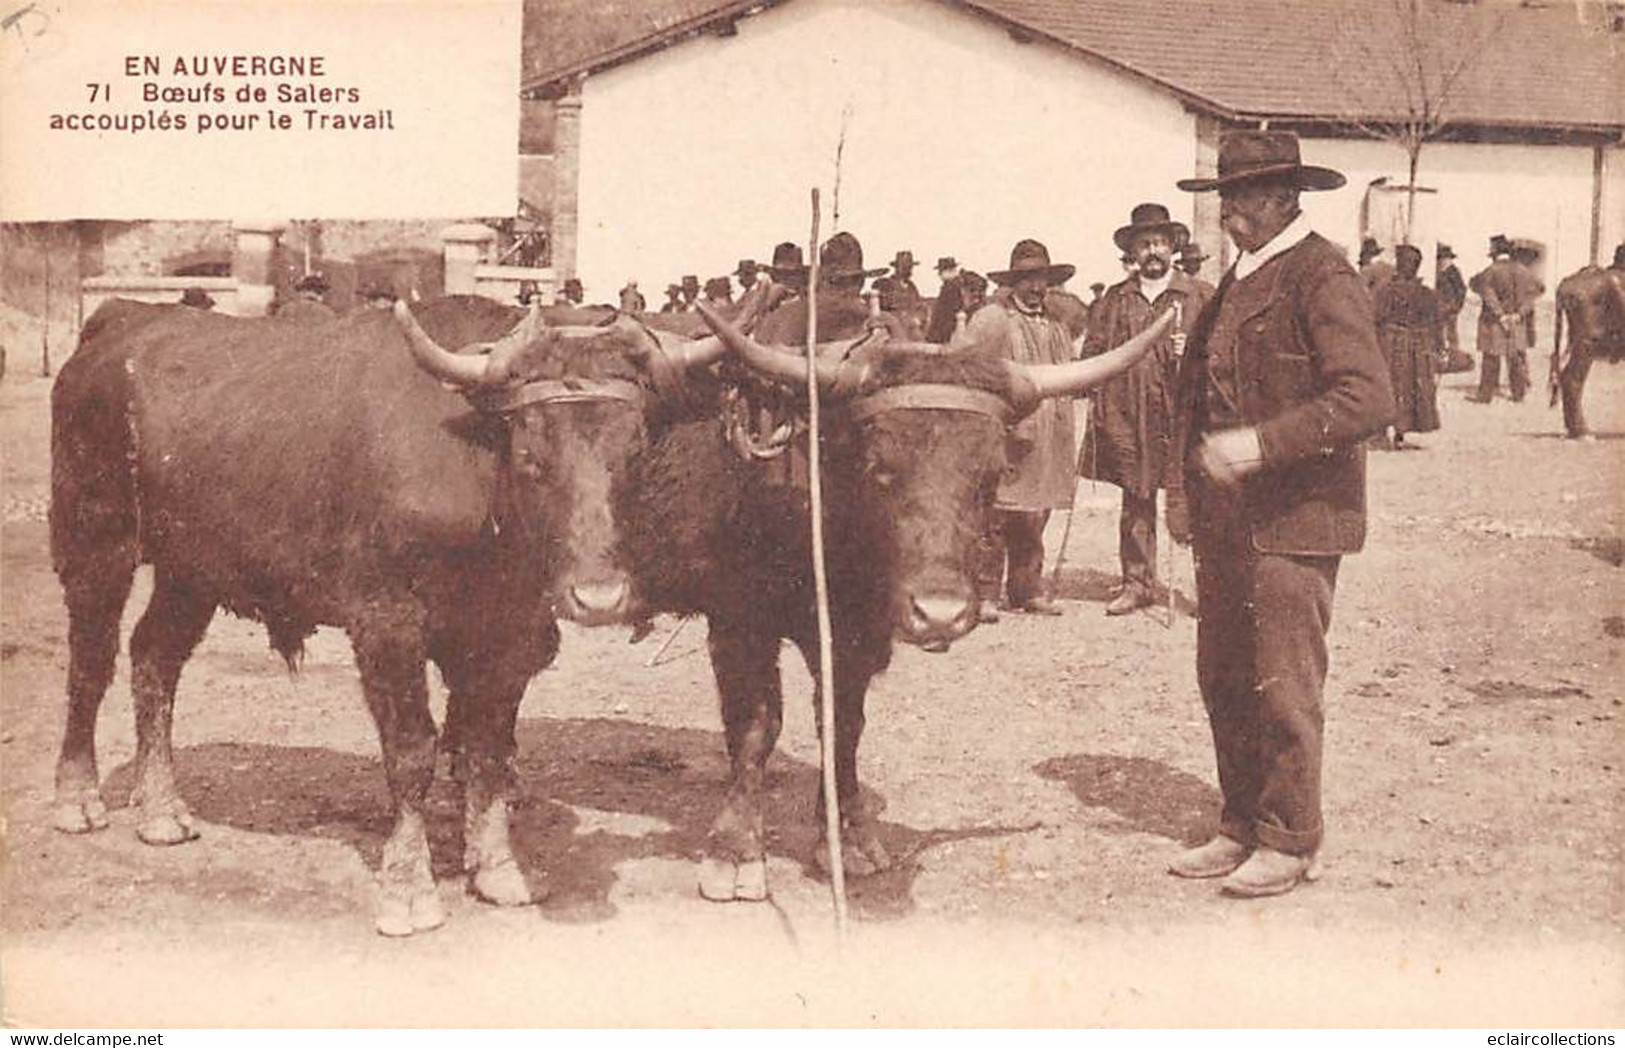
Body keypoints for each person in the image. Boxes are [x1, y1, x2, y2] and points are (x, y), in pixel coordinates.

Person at [1170, 130, 1393, 897]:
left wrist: (1260, 447)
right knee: (1224, 675)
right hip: (1228, 525)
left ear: (1284, 197)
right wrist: (1184, 502)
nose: (1227, 209)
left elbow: (1366, 398)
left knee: (1282, 682)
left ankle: (1291, 839)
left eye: (1241, 195)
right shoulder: (1239, 277)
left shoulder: (1320, 275)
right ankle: (1239, 823)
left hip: (1297, 519)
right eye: (1223, 195)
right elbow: (1195, 402)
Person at [1080, 203, 1211, 616]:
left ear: (1173, 247)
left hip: (1182, 414)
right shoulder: (1116, 300)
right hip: (1128, 412)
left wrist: (1191, 352)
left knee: (1194, 499)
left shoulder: (1199, 295)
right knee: (1135, 498)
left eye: (1159, 243)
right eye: (1144, 244)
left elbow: (1223, 357)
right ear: (1133, 253)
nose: (1152, 251)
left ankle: (1211, 589)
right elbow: (1093, 353)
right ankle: (1137, 583)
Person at [962, 239, 1080, 619]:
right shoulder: (993, 320)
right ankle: (985, 593)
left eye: (1041, 279)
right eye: (1027, 279)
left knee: (1035, 513)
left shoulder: (1057, 325)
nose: (1035, 287)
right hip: (1009, 434)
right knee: (996, 513)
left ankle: (1027, 588)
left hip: (1049, 434)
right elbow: (972, 369)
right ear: (1014, 283)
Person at [1373, 244, 1442, 448]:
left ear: (1399, 265)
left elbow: (1375, 317)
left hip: (1390, 343)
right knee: (1412, 386)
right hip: (1419, 346)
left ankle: (1382, 430)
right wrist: (1439, 347)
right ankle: (1401, 431)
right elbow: (1435, 323)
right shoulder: (1426, 293)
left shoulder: (1386, 290)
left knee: (1388, 384)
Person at [1469, 234, 1541, 402]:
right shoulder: (1524, 271)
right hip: (1517, 321)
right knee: (1516, 357)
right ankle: (1518, 394)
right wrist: (1519, 313)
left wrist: (1500, 315)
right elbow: (1536, 291)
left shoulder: (1490, 271)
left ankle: (1485, 395)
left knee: (1491, 358)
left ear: (1494, 254)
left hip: (1494, 321)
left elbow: (1484, 290)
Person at [874, 250, 925, 335]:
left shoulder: (912, 287)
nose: (908, 270)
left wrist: (918, 318)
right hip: (894, 329)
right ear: (897, 268)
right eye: (904, 267)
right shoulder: (887, 285)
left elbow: (919, 306)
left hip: (912, 328)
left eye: (909, 267)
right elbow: (884, 310)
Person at [1435, 244, 1468, 367]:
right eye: (1441, 258)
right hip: (1440, 308)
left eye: (1444, 258)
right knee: (1440, 333)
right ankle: (1443, 358)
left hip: (1450, 308)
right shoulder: (1439, 271)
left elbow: (1461, 290)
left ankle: (1454, 358)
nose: (1442, 261)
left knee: (1451, 333)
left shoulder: (1453, 271)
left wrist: (1456, 307)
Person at [926, 256, 963, 343]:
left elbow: (947, 312)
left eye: (941, 271)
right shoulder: (953, 286)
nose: (939, 274)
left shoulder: (950, 287)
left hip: (946, 329)